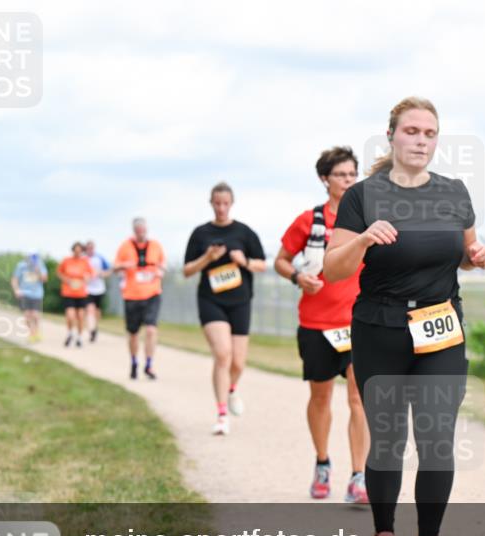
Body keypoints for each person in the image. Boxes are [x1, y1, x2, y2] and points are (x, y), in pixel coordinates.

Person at [323, 97, 485, 536]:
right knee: (390, 441)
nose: (420, 140)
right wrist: (362, 240)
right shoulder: (364, 196)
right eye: (412, 131)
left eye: (429, 133)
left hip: (441, 327)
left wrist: (478, 255)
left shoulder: (454, 192)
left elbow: (463, 252)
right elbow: (334, 269)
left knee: (438, 439)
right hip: (380, 329)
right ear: (392, 136)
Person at [275, 146, 369, 503]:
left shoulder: (366, 219)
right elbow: (281, 260)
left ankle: (359, 476)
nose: (348, 181)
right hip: (317, 323)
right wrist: (298, 277)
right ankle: (322, 462)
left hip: (359, 323)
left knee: (360, 398)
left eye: (352, 174)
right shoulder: (308, 221)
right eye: (341, 175)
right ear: (324, 179)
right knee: (321, 396)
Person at [183, 182, 267, 435]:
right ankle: (221, 415)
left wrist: (245, 261)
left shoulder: (244, 232)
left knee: (238, 362)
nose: (221, 208)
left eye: (225, 203)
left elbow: (262, 264)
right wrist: (207, 258)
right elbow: (187, 270)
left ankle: (230, 390)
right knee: (223, 354)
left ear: (231, 204)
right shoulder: (200, 234)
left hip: (240, 301)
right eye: (217, 203)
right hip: (211, 301)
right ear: (211, 203)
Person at [114, 218, 166, 380]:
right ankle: (134, 362)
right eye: (138, 230)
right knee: (133, 333)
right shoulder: (125, 246)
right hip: (132, 295)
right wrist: (124, 265)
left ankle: (149, 364)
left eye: (143, 230)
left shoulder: (156, 246)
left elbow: (163, 265)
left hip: (152, 293)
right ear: (134, 230)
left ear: (147, 229)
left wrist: (159, 272)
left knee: (151, 329)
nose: (141, 233)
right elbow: (115, 267)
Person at [57, 242, 94, 347]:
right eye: (75, 251)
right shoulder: (66, 261)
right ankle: (70, 333)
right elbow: (59, 273)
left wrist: (87, 278)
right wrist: (67, 280)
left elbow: (91, 274)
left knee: (81, 317)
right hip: (68, 292)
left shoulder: (85, 261)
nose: (77, 253)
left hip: (81, 293)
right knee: (70, 316)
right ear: (73, 250)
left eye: (79, 251)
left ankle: (79, 337)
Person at [11, 252, 48, 342]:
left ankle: (37, 331)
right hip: (24, 293)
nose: (31, 260)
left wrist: (37, 270)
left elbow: (44, 279)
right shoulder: (21, 266)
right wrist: (16, 289)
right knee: (27, 315)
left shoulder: (40, 265)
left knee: (35, 314)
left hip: (37, 294)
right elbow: (14, 279)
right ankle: (32, 333)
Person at [85, 240, 112, 342]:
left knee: (97, 312)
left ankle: (95, 327)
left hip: (99, 289)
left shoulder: (100, 258)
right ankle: (91, 330)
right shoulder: (83, 259)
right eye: (88, 248)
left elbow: (109, 271)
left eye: (91, 248)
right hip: (87, 289)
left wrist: (101, 274)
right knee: (90, 310)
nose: (90, 250)